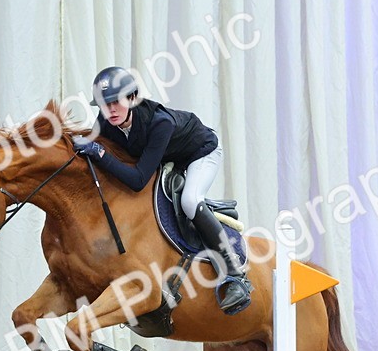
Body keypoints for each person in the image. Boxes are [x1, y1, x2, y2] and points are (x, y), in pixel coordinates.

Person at [73, 66, 252, 315]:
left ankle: (235, 274)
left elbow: (136, 179)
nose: (110, 109)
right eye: (104, 104)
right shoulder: (106, 120)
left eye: (116, 102)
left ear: (132, 98)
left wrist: (100, 153)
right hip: (168, 157)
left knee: (190, 201)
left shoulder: (160, 123)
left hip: (201, 152)